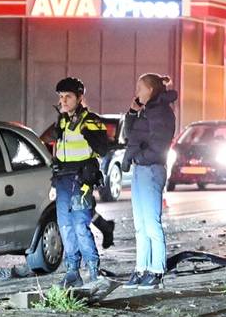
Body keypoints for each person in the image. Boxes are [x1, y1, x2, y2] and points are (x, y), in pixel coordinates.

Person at [50, 77, 110, 288]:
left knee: (79, 225)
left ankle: (93, 269)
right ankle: (72, 271)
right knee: (65, 226)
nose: (63, 101)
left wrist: (89, 135)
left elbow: (103, 149)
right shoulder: (62, 121)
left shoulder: (90, 120)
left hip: (81, 179)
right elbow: (56, 150)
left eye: (68, 97)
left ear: (79, 98)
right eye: (60, 97)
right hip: (63, 180)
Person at [121, 73, 178, 288]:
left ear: (151, 90)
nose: (137, 92)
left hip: (151, 169)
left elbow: (158, 143)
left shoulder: (161, 113)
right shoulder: (146, 111)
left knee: (151, 223)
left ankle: (156, 270)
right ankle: (141, 268)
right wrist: (132, 114)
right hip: (140, 169)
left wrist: (141, 158)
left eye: (140, 88)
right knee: (140, 224)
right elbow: (130, 136)